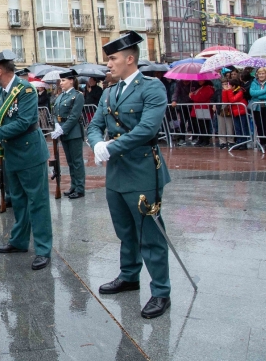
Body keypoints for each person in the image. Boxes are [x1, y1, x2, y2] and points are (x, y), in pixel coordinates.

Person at [87, 31, 172, 319]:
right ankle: (129, 276)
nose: (108, 64)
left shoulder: (152, 88)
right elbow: (94, 124)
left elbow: (147, 130)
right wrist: (97, 143)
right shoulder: (110, 92)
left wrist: (110, 147)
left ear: (130, 59)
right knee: (125, 231)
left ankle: (161, 291)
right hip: (117, 174)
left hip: (143, 170)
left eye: (112, 58)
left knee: (150, 235)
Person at [0, 50, 53, 271]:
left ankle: (43, 249)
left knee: (38, 202)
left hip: (29, 152)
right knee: (19, 201)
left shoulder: (25, 90)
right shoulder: (1, 92)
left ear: (0, 70)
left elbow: (25, 121)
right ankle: (19, 241)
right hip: (12, 154)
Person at [51, 69, 86, 199]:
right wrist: (56, 124)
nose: (61, 83)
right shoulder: (60, 96)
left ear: (71, 81)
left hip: (73, 132)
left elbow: (74, 116)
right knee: (70, 162)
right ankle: (74, 185)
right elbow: (54, 112)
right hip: (63, 131)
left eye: (64, 80)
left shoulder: (77, 96)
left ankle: (80, 188)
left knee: (77, 161)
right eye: (61, 80)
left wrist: (63, 129)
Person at [249, 67, 266, 151]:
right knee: (259, 125)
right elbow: (252, 93)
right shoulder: (254, 82)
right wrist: (265, 90)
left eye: (263, 73)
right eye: (259, 73)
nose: (261, 75)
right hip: (257, 107)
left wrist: (259, 96)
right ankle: (261, 142)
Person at [223, 78, 250, 149]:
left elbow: (232, 100)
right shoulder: (232, 91)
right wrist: (224, 91)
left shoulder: (240, 91)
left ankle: (244, 143)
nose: (228, 87)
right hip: (235, 112)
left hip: (241, 111)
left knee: (243, 127)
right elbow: (225, 100)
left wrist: (228, 91)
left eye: (229, 85)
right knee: (237, 128)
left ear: (234, 86)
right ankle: (239, 142)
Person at [188, 80, 214, 147]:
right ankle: (201, 139)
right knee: (200, 125)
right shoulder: (202, 88)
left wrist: (192, 96)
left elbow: (201, 98)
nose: (199, 81)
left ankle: (205, 140)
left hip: (203, 109)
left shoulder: (208, 88)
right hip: (199, 109)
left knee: (204, 125)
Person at [216, 77, 236, 149]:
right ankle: (222, 141)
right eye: (223, 84)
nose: (224, 85)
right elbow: (214, 98)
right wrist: (214, 105)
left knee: (229, 126)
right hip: (220, 109)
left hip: (228, 108)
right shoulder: (218, 91)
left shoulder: (231, 90)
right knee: (221, 127)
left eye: (226, 84)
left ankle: (231, 141)